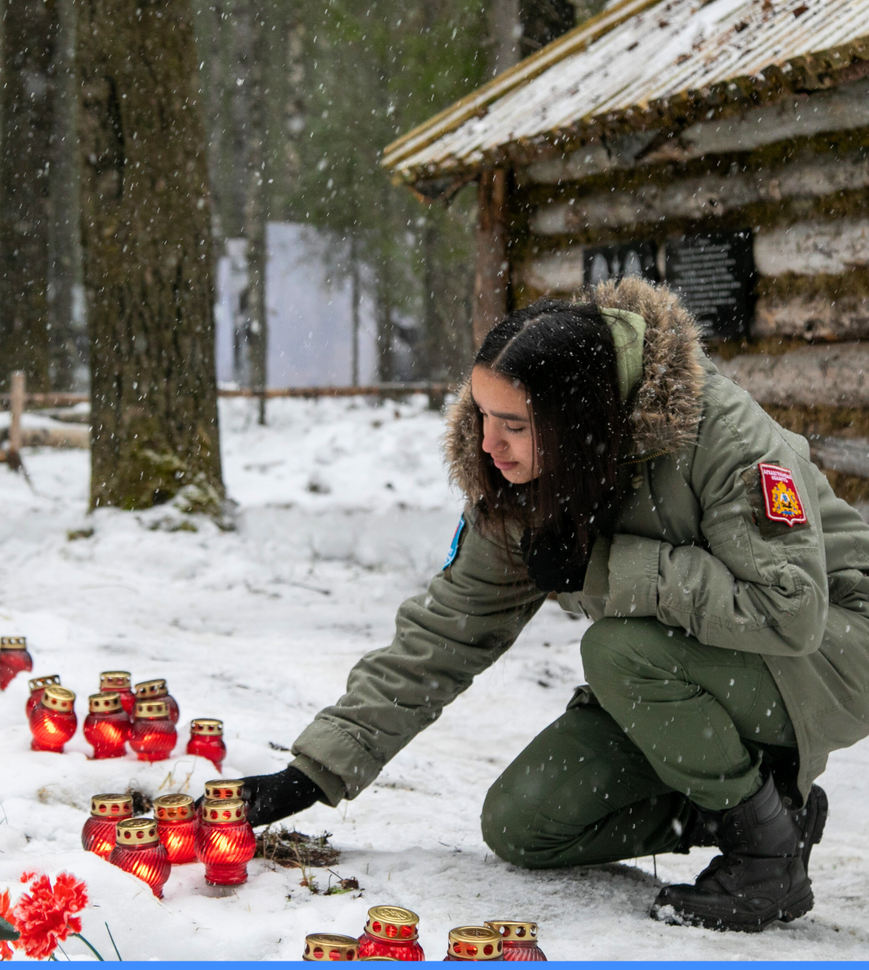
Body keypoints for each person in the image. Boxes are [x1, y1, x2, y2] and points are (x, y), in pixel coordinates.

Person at [240, 276, 869, 931]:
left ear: (578, 422)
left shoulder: (723, 437)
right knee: (525, 822)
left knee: (616, 648)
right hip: (686, 671)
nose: (489, 444)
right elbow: (449, 632)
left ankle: (765, 857)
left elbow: (791, 610)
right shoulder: (519, 476)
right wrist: (314, 771)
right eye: (483, 415)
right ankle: (770, 808)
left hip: (840, 646)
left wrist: (610, 570)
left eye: (513, 425)